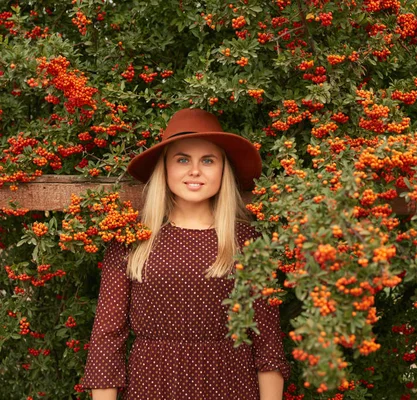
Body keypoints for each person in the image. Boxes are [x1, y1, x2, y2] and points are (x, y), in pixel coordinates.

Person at [81, 109, 289, 399]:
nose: (195, 170)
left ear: (222, 169)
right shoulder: (132, 241)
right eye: (182, 159)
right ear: (164, 168)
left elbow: (267, 345)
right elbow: (107, 339)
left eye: (208, 160)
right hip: (151, 387)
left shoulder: (248, 242)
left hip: (230, 386)